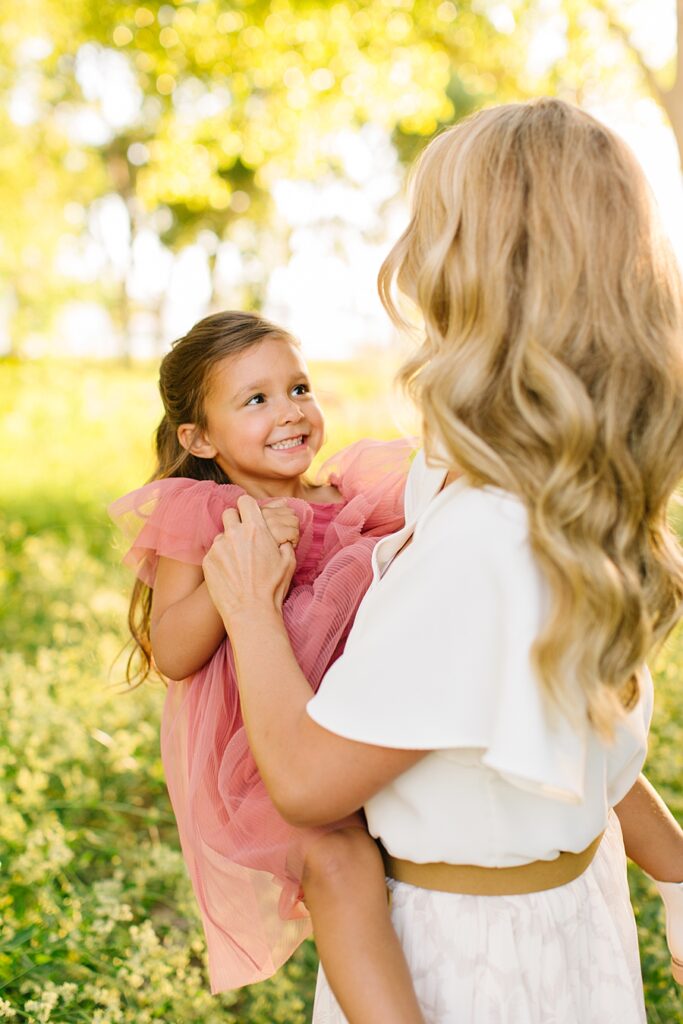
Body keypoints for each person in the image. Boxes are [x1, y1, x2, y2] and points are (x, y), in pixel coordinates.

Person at [198, 99, 683, 1023]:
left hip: (463, 961)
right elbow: (578, 741)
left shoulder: (485, 541)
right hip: (574, 913)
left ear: (478, 272)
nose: (409, 252)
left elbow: (304, 781)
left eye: (433, 223)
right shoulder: (572, 486)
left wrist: (251, 609)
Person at [109, 310, 427, 1023]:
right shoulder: (207, 513)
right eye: (254, 400)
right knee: (341, 864)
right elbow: (173, 650)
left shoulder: (354, 498)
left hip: (362, 725)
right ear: (198, 437)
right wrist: (237, 572)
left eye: (298, 388)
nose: (289, 413)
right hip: (260, 754)